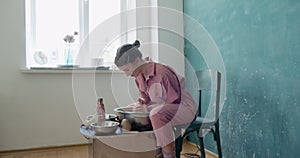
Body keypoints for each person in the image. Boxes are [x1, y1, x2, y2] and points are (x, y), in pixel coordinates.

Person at [114, 40, 197, 158]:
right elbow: (145, 99)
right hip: (161, 111)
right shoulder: (139, 77)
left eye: (127, 70)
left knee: (156, 114)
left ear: (137, 61)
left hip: (184, 109)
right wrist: (138, 105)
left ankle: (169, 155)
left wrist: (147, 107)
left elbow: (174, 101)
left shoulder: (163, 72)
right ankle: (155, 152)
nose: (127, 75)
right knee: (133, 111)